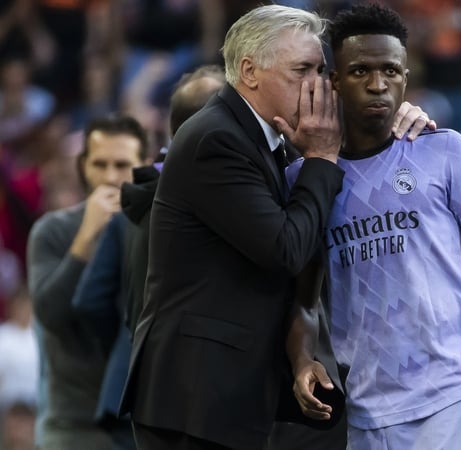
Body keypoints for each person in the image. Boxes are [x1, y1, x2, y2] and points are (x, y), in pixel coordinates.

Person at [119, 5, 432, 449]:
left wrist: (400, 117)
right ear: (249, 71)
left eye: (320, 70)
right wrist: (320, 158)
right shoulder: (218, 139)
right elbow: (286, 249)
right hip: (194, 396)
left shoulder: (265, 138)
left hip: (221, 394)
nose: (318, 84)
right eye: (302, 70)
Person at [287, 4, 461, 449]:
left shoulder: (444, 151)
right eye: (360, 71)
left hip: (454, 392)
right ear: (335, 80)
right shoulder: (307, 178)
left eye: (390, 71)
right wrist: (302, 360)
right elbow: (304, 300)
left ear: (405, 76)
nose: (377, 84)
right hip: (366, 410)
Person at [69, 65, 226, 450]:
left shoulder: (136, 201)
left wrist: (130, 343)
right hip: (189, 398)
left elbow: (92, 301)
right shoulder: (219, 198)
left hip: (136, 388)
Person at [26, 114, 148, 450]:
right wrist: (87, 235)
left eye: (122, 165)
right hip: (73, 425)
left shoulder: (156, 231)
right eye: (99, 164)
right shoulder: (53, 230)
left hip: (140, 424)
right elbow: (50, 315)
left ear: (143, 165)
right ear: (83, 166)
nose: (110, 177)